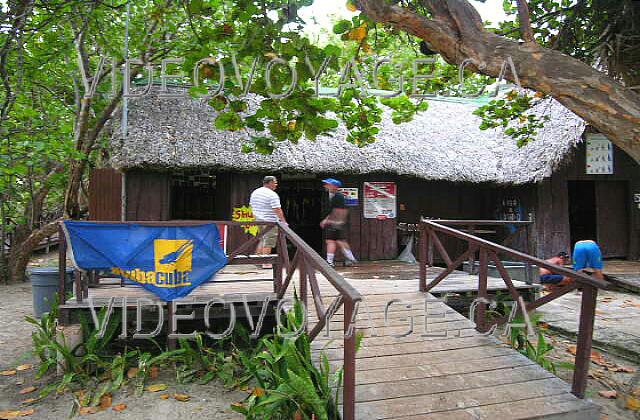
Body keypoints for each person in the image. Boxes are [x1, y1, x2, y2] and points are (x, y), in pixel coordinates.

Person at [249, 176, 287, 268]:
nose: (276, 185)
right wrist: (283, 221)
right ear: (269, 183)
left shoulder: (255, 192)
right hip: (270, 221)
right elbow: (277, 209)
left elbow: (251, 205)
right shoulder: (272, 194)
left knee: (262, 239)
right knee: (268, 241)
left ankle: (257, 260)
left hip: (258, 220)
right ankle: (265, 262)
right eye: (275, 183)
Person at [320, 178, 357, 267]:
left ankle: (330, 262)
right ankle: (351, 258)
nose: (325, 186)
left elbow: (339, 211)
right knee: (339, 241)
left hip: (335, 223)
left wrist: (328, 220)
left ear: (333, 186)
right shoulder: (335, 195)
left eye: (327, 184)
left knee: (331, 241)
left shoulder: (338, 196)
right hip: (337, 223)